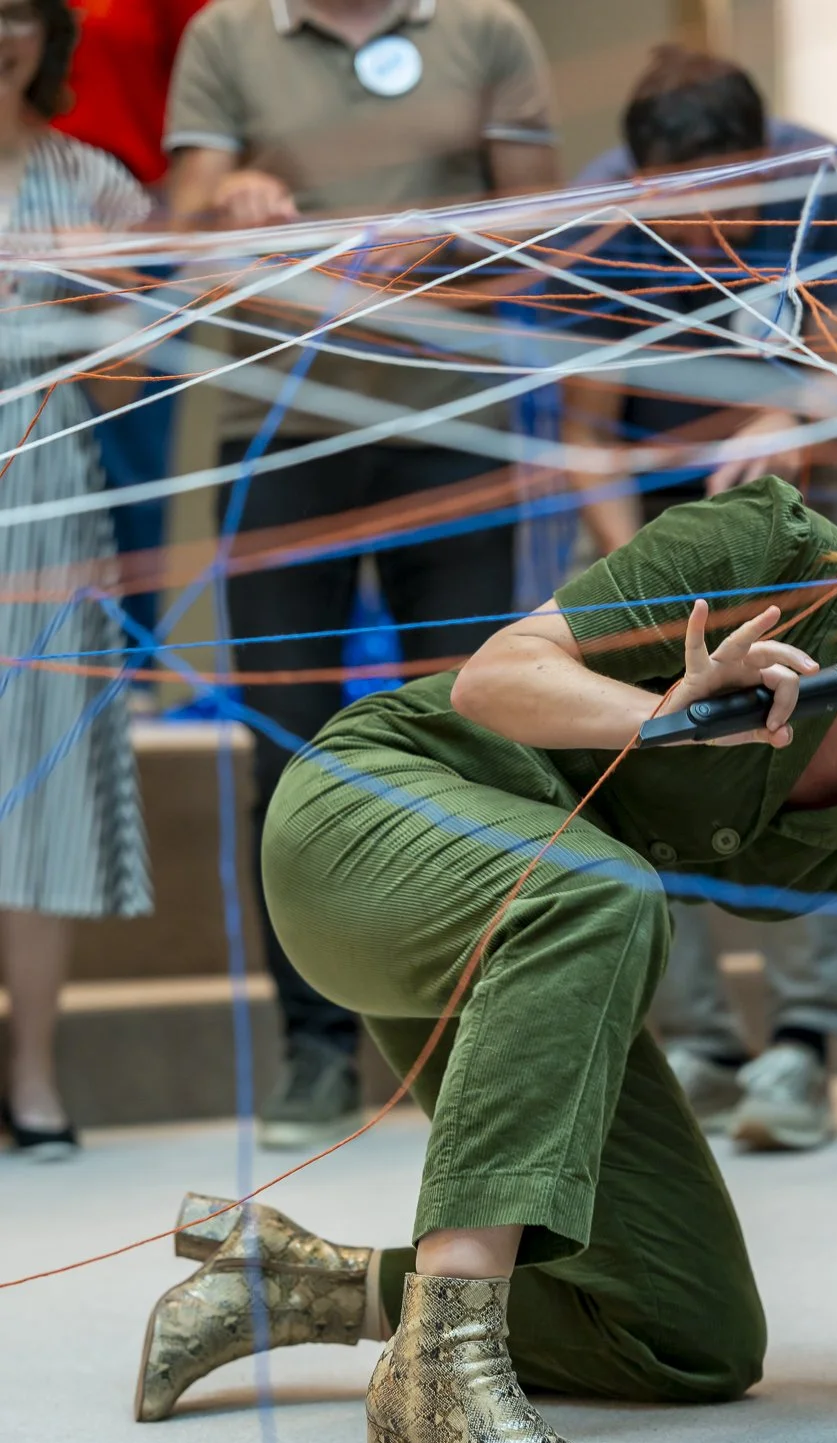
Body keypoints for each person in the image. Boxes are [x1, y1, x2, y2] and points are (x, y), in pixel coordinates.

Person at [136, 456, 837, 1443]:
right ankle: (443, 1375)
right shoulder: (766, 551)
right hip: (372, 825)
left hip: (528, 947)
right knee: (604, 893)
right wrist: (661, 713)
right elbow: (492, 678)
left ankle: (294, 1282)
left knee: (690, 1333)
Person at [164, 0, 558, 1148]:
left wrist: (450, 236)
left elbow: (540, 225)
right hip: (278, 431)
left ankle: (485, 1035)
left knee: (484, 732)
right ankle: (315, 1050)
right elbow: (185, 225)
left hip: (456, 426)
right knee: (284, 742)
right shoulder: (226, 35)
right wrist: (230, 195)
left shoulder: (487, 29)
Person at [562, 45, 837, 1149]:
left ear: (761, 159)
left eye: (725, 198)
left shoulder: (816, 187)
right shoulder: (597, 219)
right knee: (645, 775)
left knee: (798, 759)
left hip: (795, 522)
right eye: (673, 208)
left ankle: (800, 1040)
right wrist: (629, 589)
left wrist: (794, 411)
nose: (701, 230)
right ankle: (696, 1041)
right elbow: (586, 431)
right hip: (651, 541)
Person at [0, 0, 153, 1159]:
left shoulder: (96, 184)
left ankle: (35, 1075)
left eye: (16, 12)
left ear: (49, 35)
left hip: (48, 505)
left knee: (40, 791)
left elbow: (141, 376)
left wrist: (105, 309)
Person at [53, 0, 210, 672]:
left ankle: (126, 679)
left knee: (128, 467)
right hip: (11, 221)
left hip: (131, 232)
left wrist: (148, 233)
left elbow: (214, 106)